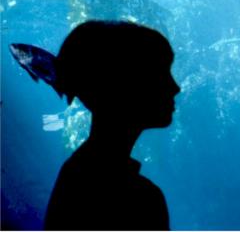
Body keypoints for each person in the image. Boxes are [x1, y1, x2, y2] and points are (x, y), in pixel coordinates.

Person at [12, 20, 180, 230]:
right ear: (122, 84)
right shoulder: (137, 198)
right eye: (161, 74)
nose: (175, 87)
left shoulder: (78, 174)